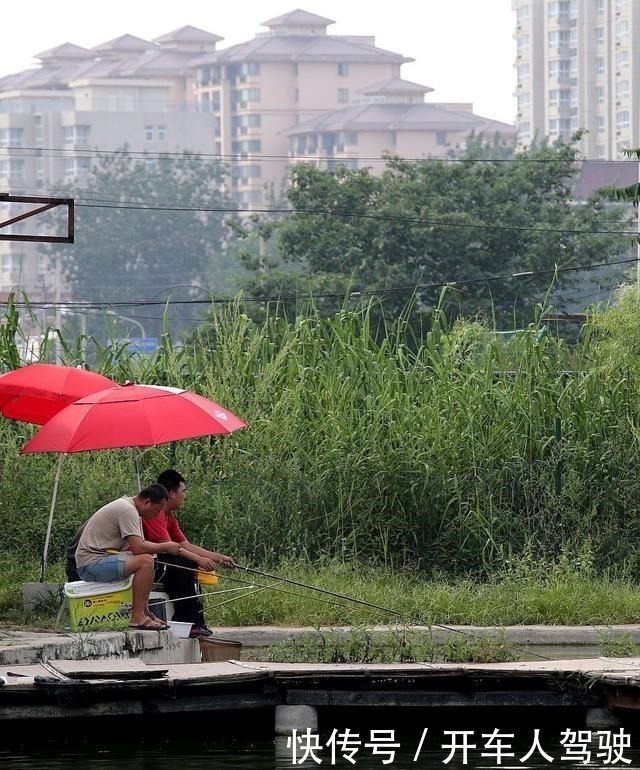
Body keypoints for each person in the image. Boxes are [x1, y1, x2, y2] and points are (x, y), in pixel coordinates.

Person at [142, 470, 236, 638]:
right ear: (171, 493)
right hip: (150, 564)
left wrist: (219, 558)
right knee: (183, 563)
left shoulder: (169, 517)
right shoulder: (156, 514)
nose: (185, 495)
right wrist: (198, 559)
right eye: (183, 491)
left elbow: (185, 545)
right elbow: (170, 547)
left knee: (188, 562)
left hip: (160, 560)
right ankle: (186, 621)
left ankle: (196, 621)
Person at [75, 484, 182, 631]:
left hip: (103, 559)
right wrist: (165, 546)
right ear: (147, 502)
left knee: (150, 558)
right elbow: (138, 547)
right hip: (91, 564)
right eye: (157, 511)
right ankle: (137, 617)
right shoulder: (127, 510)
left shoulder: (132, 510)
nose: (156, 515)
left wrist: (160, 549)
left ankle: (145, 612)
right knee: (145, 562)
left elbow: (140, 547)